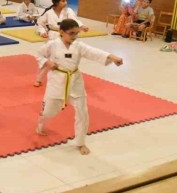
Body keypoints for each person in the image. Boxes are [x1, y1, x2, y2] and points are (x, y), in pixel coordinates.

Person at [35, 19, 123, 155]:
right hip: (56, 81)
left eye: (76, 33)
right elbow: (39, 54)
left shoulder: (79, 45)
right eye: (71, 33)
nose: (74, 36)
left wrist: (112, 57)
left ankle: (80, 142)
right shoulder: (52, 45)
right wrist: (47, 62)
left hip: (75, 82)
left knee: (82, 113)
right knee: (48, 112)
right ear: (61, 32)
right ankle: (41, 125)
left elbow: (94, 52)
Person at [34, 0, 89, 86]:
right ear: (56, 2)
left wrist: (82, 26)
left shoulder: (68, 11)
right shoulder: (49, 13)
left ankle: (68, 79)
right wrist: (42, 32)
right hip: (53, 36)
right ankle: (38, 79)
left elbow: (74, 20)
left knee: (68, 58)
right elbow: (39, 23)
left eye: (66, 0)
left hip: (66, 37)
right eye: (63, 1)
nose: (65, 3)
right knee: (48, 59)